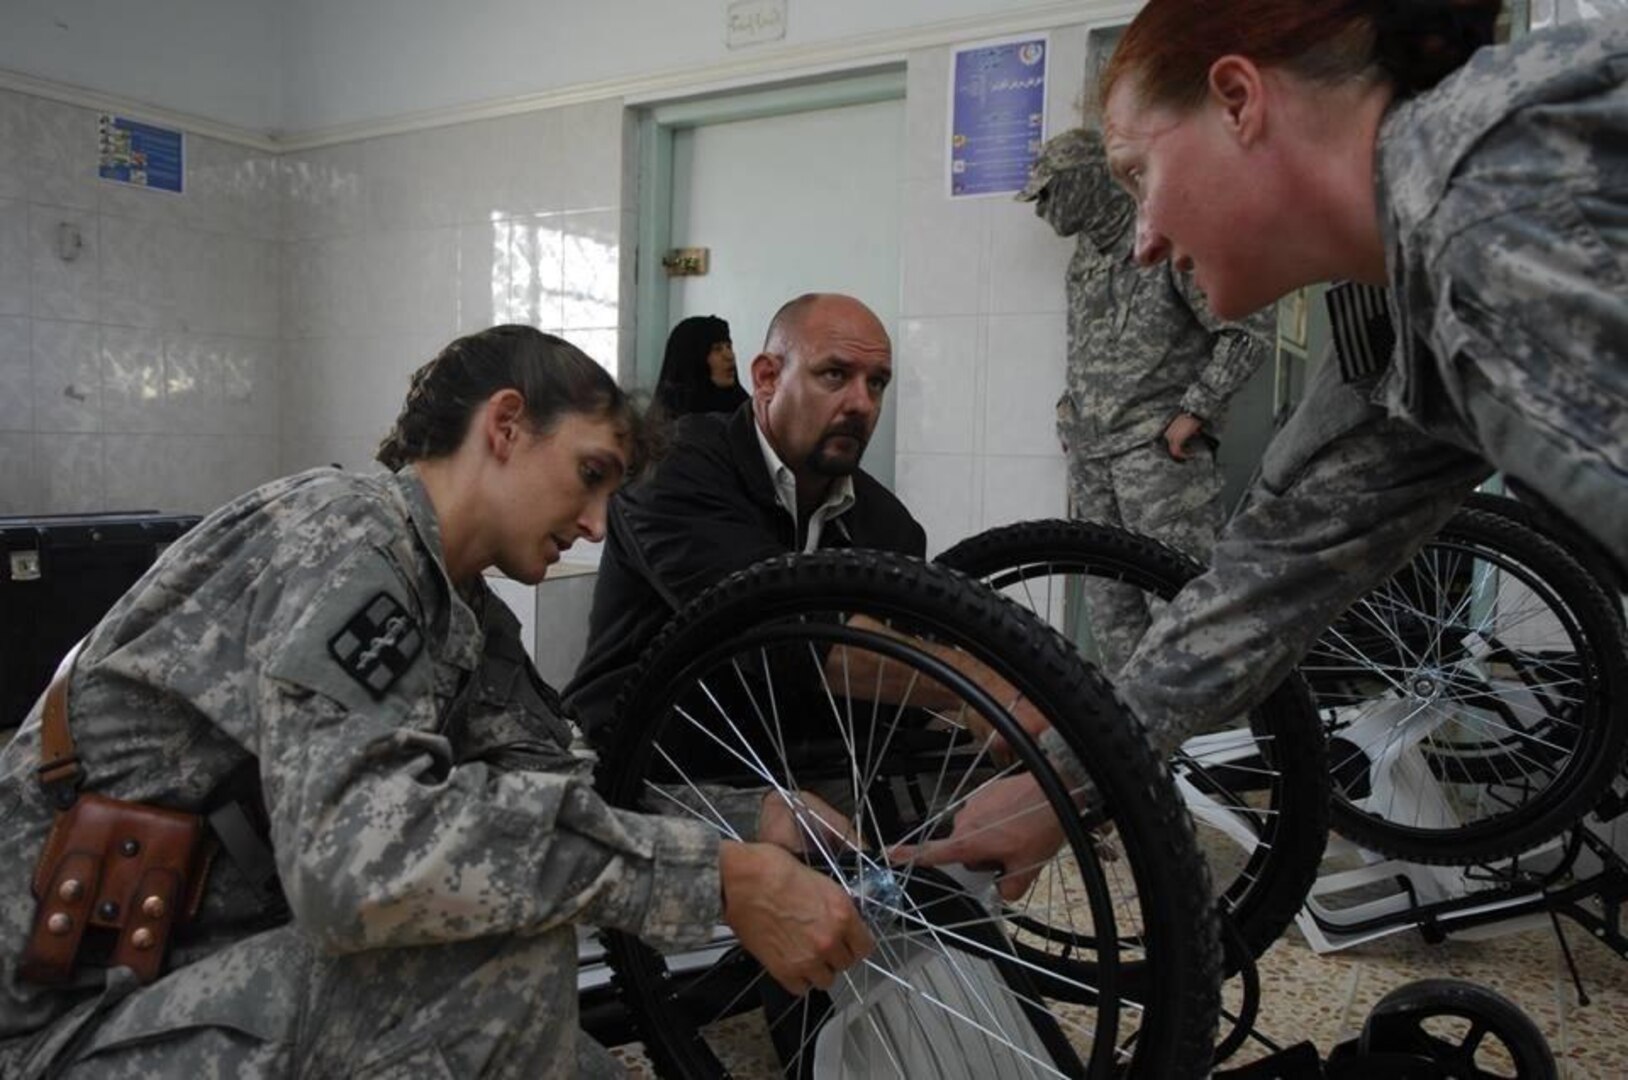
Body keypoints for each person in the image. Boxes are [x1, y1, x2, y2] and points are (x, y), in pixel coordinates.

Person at [0, 325, 872, 1078]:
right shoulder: (344, 530)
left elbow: (567, 803)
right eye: (590, 473)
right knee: (497, 960)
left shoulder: (462, 615)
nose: (601, 525)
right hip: (71, 1019)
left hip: (199, 976)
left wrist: (752, 823)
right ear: (505, 426)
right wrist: (713, 882)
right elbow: (356, 859)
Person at [905, 1, 1627, 889]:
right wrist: (1062, 784)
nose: (1143, 244)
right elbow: (1266, 579)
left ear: (1240, 101)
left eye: (1139, 175)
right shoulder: (1400, 307)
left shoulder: (1491, 202)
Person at [564, 293, 927, 739]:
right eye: (835, 374)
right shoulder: (672, 468)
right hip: (647, 767)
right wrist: (976, 689)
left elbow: (901, 702)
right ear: (767, 377)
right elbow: (777, 627)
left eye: (877, 383)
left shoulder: (890, 525)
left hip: (805, 770)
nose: (862, 404)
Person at [1020, 125, 1274, 672]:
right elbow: (1088, 349)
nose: (1041, 212)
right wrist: (1069, 413)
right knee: (1111, 611)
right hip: (1093, 456)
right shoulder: (1084, 258)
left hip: (1158, 457)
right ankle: (1136, 749)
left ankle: (1204, 750)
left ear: (1087, 181)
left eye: (1047, 195)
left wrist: (1195, 411)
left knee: (1182, 611)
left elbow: (1247, 331)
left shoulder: (1166, 240)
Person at [652, 314, 749, 420]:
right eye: (717, 349)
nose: (730, 356)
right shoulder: (664, 428)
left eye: (729, 347)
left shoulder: (747, 415)